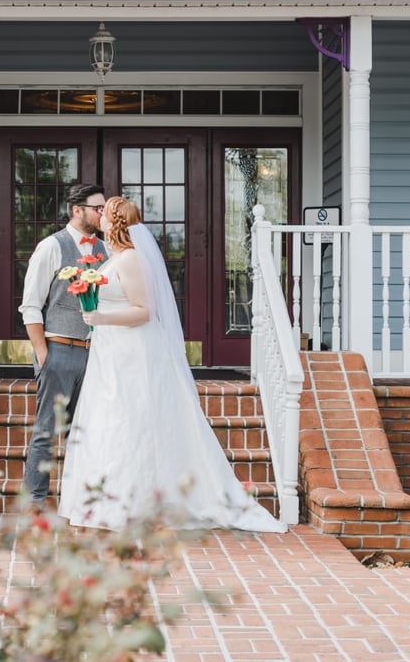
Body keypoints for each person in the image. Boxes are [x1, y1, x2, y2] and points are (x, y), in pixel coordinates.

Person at [57, 196, 287, 533]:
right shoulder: (114, 258)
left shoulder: (131, 259)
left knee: (128, 424)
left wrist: (100, 316)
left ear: (115, 222)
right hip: (110, 355)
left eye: (104, 213)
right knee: (108, 423)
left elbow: (143, 311)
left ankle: (132, 506)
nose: (99, 217)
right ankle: (103, 505)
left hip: (133, 355)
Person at [19, 184, 109, 509]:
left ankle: (76, 504)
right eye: (97, 208)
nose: (102, 214)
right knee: (45, 432)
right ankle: (34, 505)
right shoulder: (51, 247)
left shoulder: (106, 250)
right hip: (57, 351)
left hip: (94, 356)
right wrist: (44, 356)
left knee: (83, 434)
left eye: (103, 208)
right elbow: (30, 306)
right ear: (77, 210)